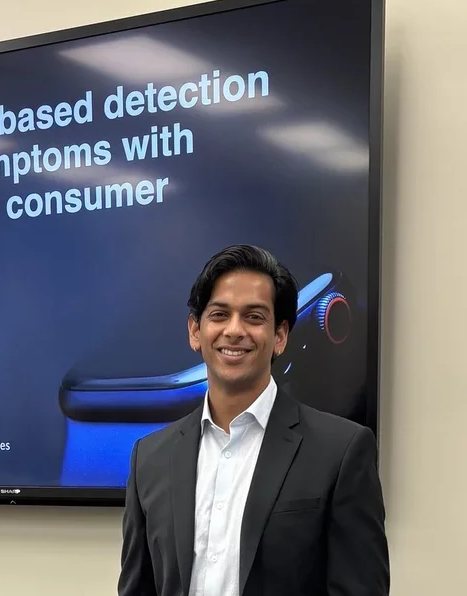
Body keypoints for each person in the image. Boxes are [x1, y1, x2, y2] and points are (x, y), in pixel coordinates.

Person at [117, 245, 389, 596]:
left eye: (254, 317)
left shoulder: (341, 452)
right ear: (195, 331)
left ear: (280, 336)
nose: (234, 330)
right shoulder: (149, 459)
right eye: (219, 314)